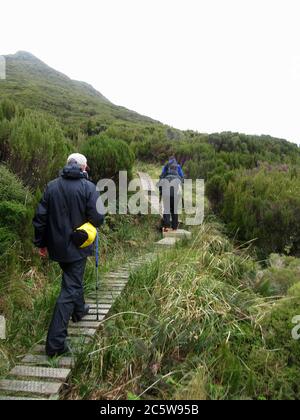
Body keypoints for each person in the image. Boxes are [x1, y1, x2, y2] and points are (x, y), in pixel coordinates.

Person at [33, 153, 104, 357]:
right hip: (78, 246)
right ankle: (55, 344)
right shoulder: (89, 188)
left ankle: (79, 310)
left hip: (56, 247)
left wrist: (41, 243)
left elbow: (40, 217)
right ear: (83, 168)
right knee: (70, 288)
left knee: (72, 280)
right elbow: (98, 219)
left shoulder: (51, 186)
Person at [159, 157, 184, 231]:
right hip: (176, 192)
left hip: (166, 191)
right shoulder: (178, 167)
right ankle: (175, 227)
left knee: (166, 209)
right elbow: (182, 178)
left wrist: (161, 191)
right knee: (174, 210)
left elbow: (161, 178)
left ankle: (166, 226)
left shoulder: (165, 166)